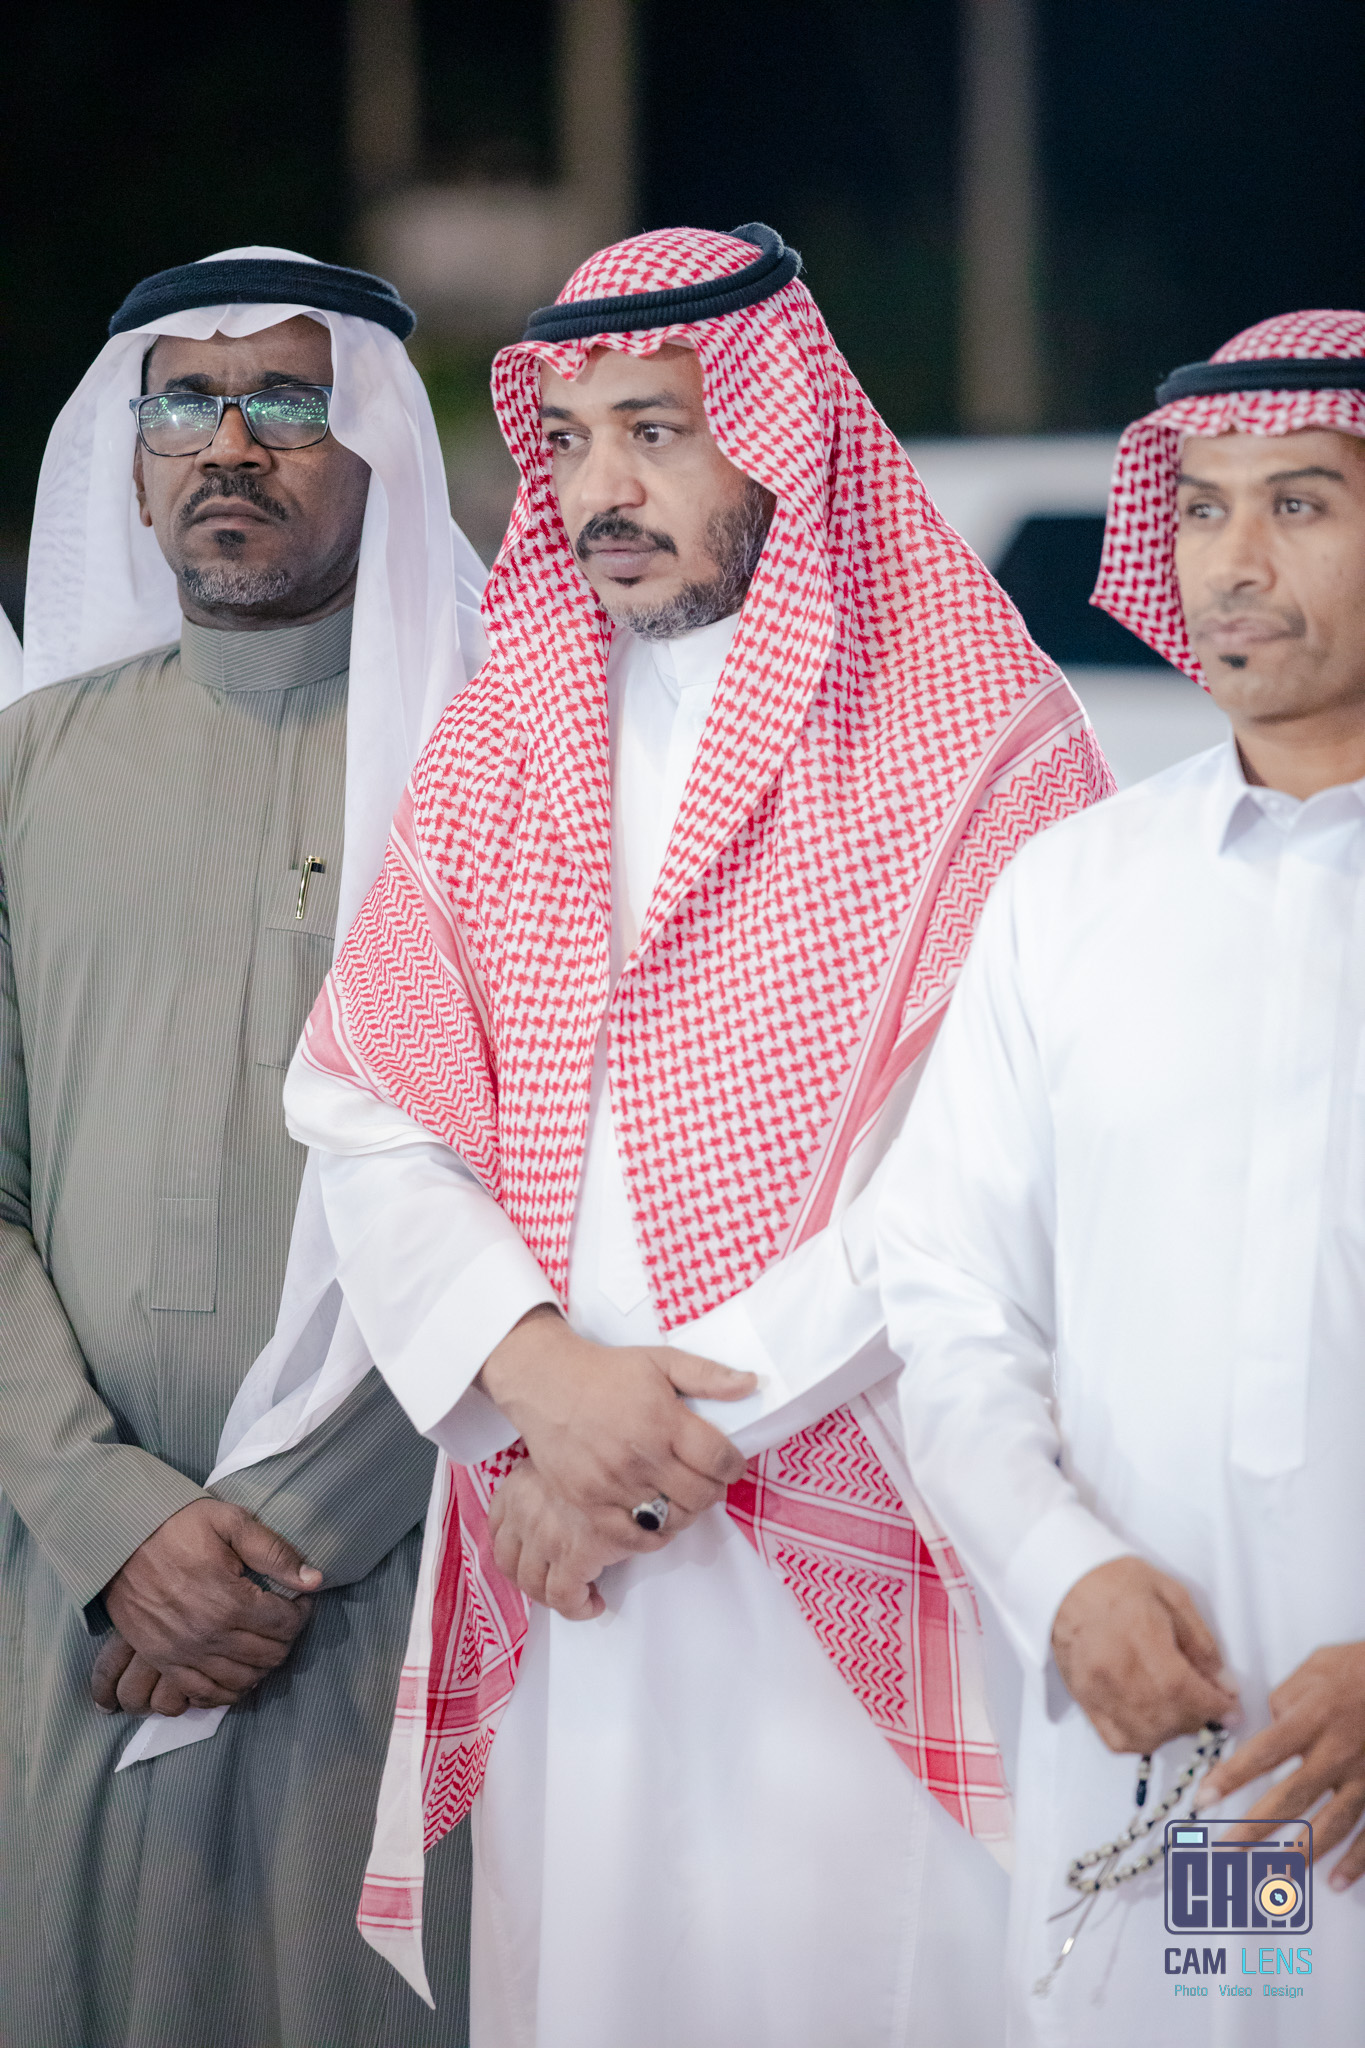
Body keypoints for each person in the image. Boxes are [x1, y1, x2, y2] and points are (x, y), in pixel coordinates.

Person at [276, 223, 1113, 2045]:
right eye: (569, 442)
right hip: (558, 1516)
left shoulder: (980, 745)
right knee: (595, 1971)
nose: (601, 490)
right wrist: (538, 1381)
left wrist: (643, 1447)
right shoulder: (500, 747)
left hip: (862, 1487)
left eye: (654, 431)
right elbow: (367, 1102)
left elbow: (982, 1168)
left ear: (780, 440)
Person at [0, 246, 487, 2048]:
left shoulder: (489, 764)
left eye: (288, 400)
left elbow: (555, 1195)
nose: (230, 445)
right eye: (185, 408)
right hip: (75, 1586)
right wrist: (104, 1515)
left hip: (397, 1574)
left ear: (377, 446)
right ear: (128, 465)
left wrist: (286, 1536)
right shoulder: (29, 767)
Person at [874, 309, 1365, 2044]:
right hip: (1173, 1723)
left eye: (1297, 504)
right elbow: (949, 1295)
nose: (1231, 563)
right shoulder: (1071, 897)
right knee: (1207, 2012)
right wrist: (1059, 1570)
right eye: (1202, 509)